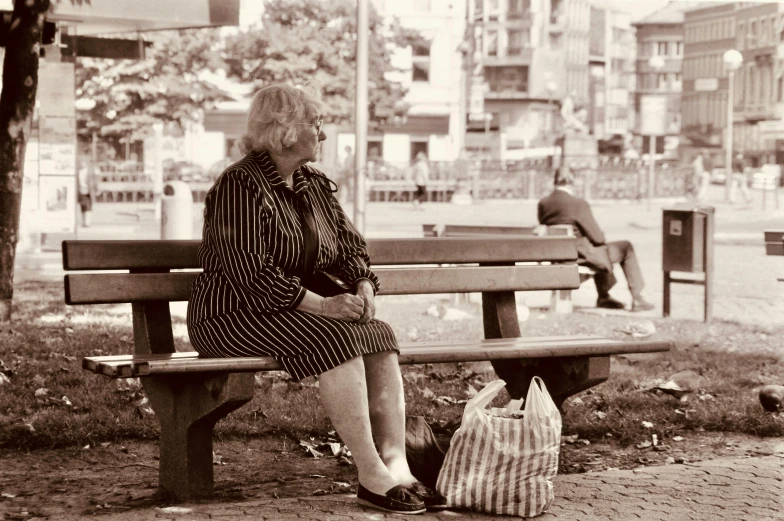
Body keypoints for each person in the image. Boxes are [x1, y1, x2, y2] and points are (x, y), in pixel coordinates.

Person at [186, 83, 443, 515]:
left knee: (378, 333)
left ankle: (397, 465)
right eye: (315, 123)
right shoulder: (240, 186)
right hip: (230, 314)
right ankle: (370, 473)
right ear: (283, 130)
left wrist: (362, 284)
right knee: (336, 339)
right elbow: (251, 274)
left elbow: (350, 246)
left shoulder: (313, 184)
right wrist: (323, 306)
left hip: (288, 310)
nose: (322, 134)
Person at [537, 167, 655, 312]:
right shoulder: (578, 204)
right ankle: (637, 298)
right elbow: (597, 238)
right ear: (571, 182)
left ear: (554, 181)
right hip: (581, 256)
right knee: (625, 247)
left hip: (558, 256)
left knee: (601, 250)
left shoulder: (544, 203)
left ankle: (604, 297)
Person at [76, 159, 97, 227]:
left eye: (84, 163)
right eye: (81, 163)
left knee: (88, 207)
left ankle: (87, 222)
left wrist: (96, 189)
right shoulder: (78, 172)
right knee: (82, 206)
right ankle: (84, 222)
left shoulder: (90, 171)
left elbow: (95, 181)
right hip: (81, 190)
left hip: (89, 191)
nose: (82, 164)